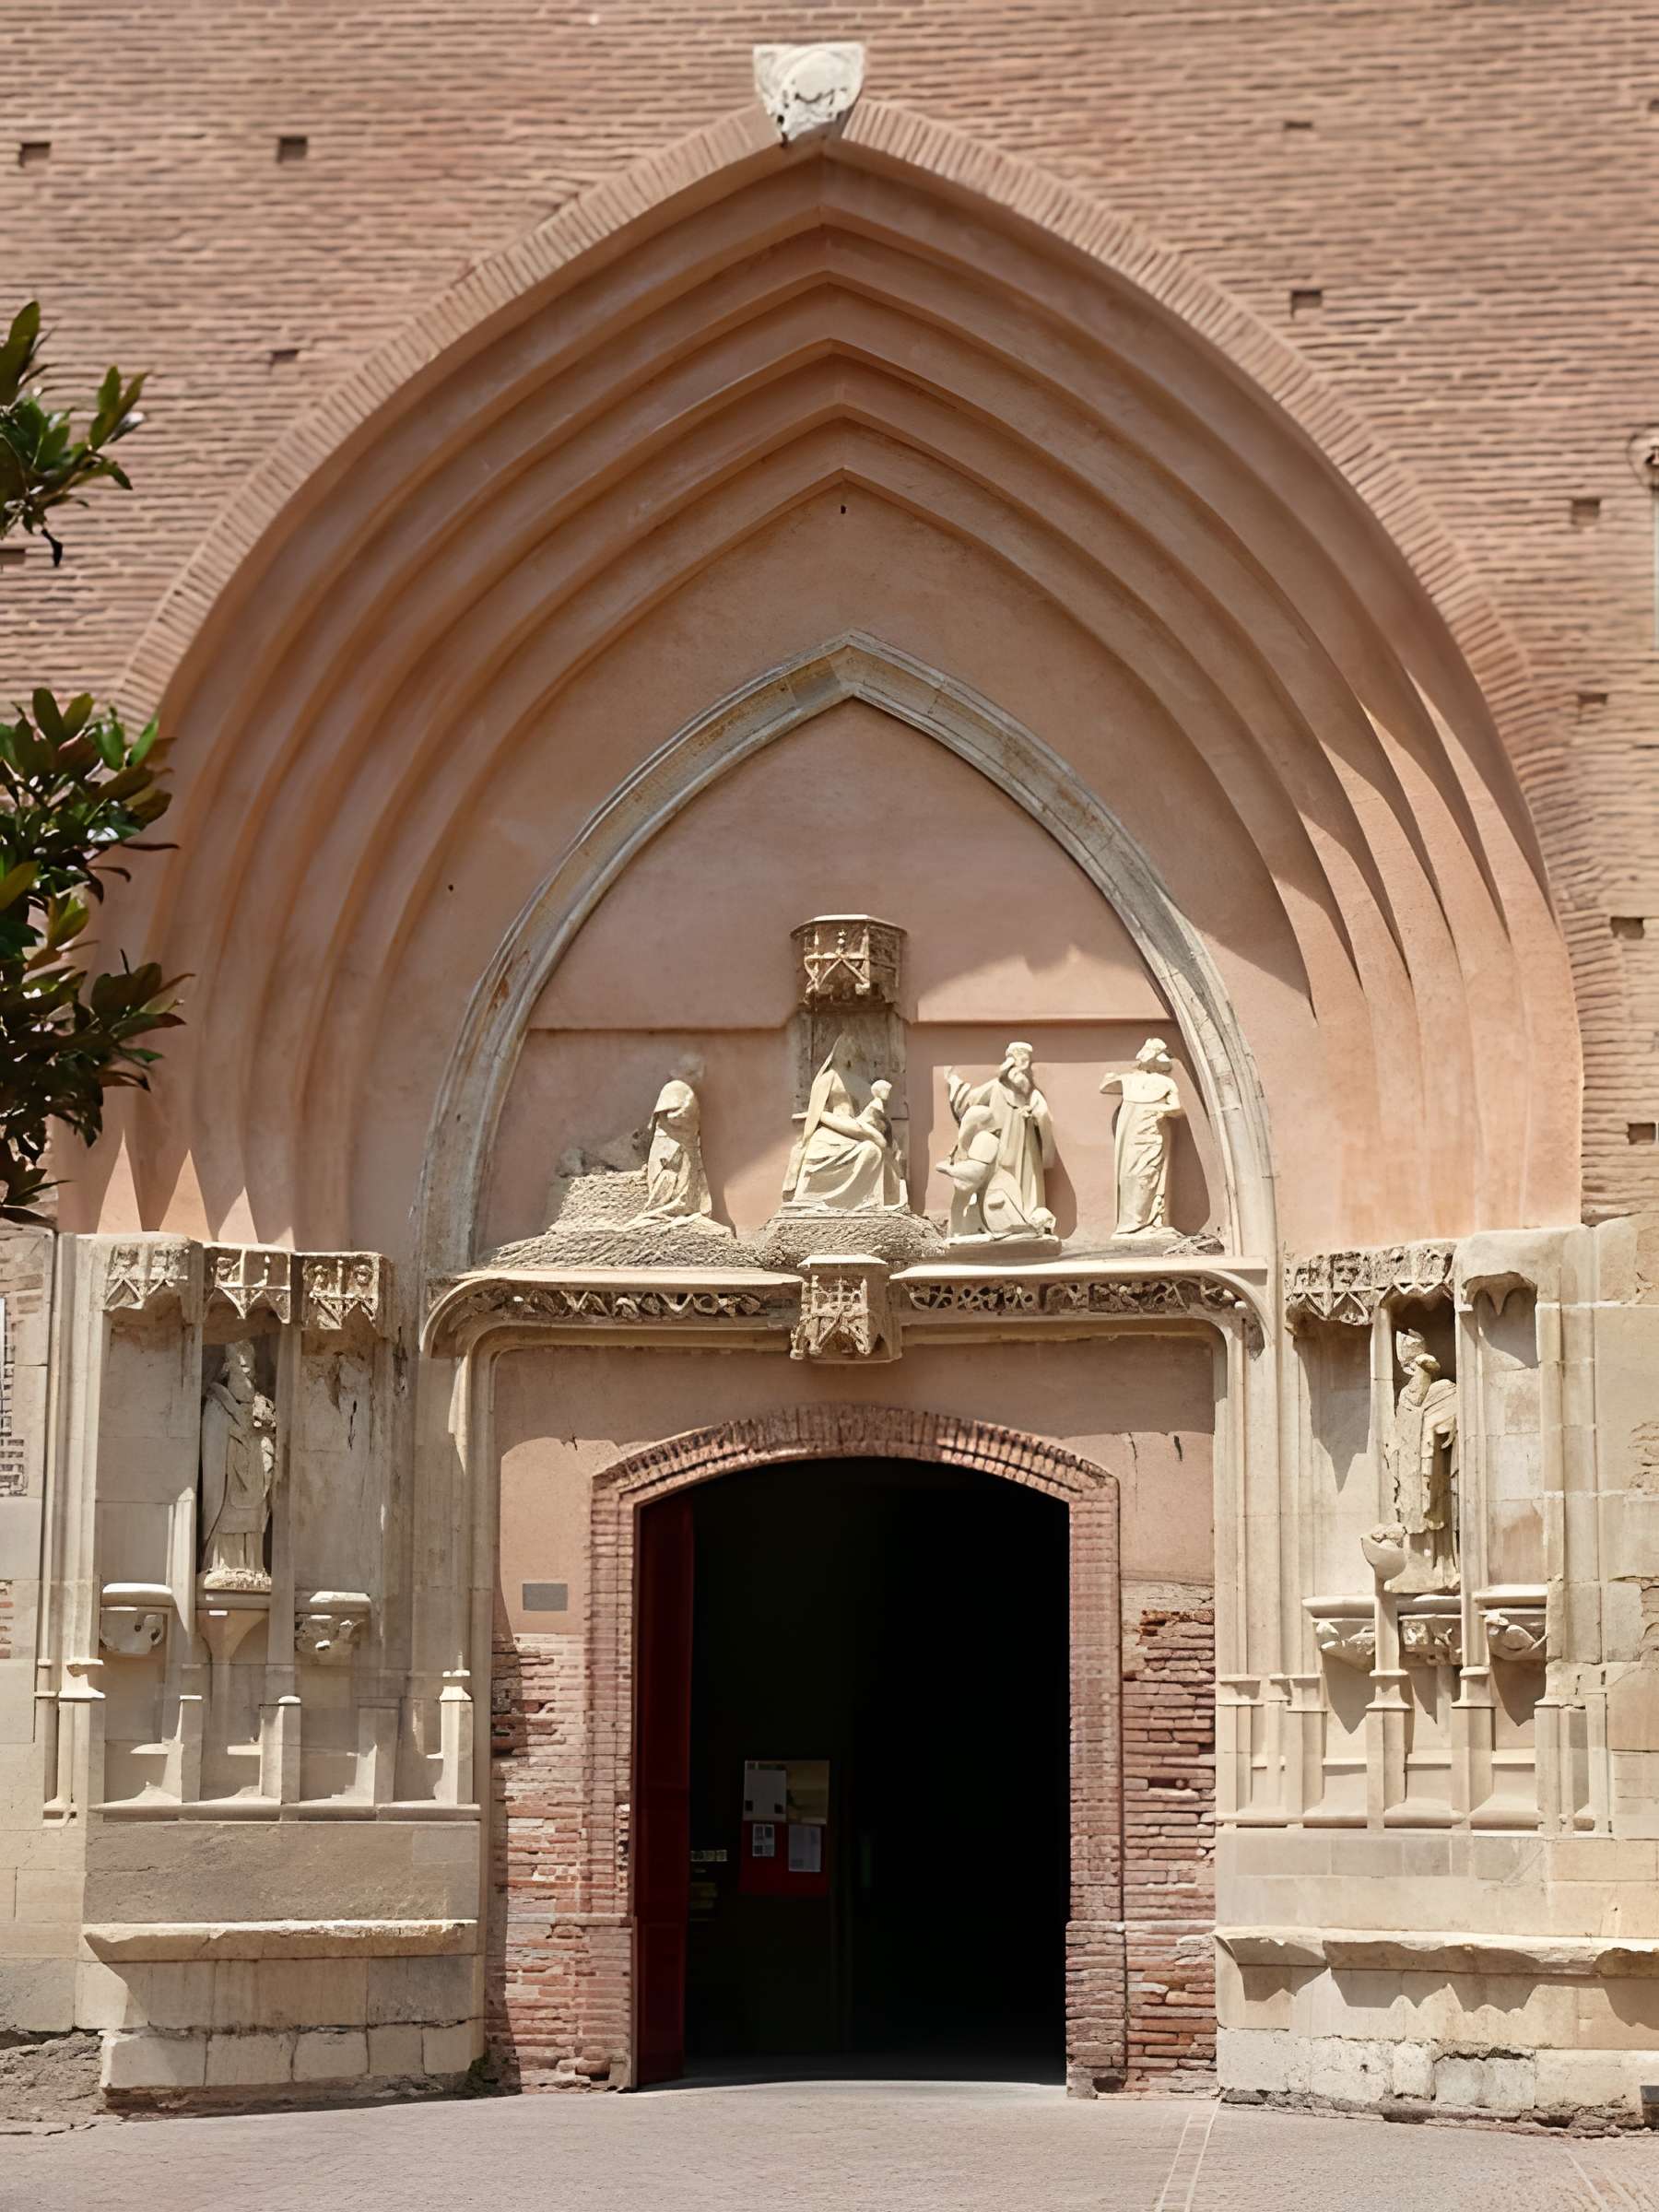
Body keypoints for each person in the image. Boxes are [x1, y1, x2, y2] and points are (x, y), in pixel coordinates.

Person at [782, 1041, 904, 1212]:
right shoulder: (827, 1078)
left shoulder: (852, 1079)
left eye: (853, 1050)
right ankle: (833, 1202)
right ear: (837, 1051)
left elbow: (874, 1100)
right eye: (847, 1049)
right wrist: (861, 1131)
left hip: (853, 1128)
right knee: (871, 1149)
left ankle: (866, 1201)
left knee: (873, 1150)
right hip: (832, 1132)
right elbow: (818, 1114)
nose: (851, 1053)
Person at [944, 1043, 1055, 1229]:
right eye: (1018, 1064)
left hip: (1025, 1149)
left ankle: (1027, 1219)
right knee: (998, 1180)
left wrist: (1034, 1115)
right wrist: (955, 1084)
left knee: (1026, 1182)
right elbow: (969, 1102)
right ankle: (999, 1220)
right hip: (999, 1147)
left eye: (1026, 1064)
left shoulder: (1031, 1095)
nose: (1023, 1071)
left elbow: (1043, 1116)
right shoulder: (995, 1088)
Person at [199, 1341, 276, 1592]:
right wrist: (236, 1435)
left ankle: (252, 1566)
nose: (248, 1375)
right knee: (225, 1516)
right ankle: (221, 1566)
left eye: (250, 1370)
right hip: (229, 1477)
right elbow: (212, 1445)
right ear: (228, 1368)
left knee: (253, 1517)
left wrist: (266, 1437)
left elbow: (269, 1440)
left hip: (253, 1476)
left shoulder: (259, 1405)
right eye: (242, 1369)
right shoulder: (217, 1403)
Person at [1100, 1038, 1182, 1235]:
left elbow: (1177, 1108)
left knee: (1148, 1176)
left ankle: (1146, 1223)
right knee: (1129, 1176)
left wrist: (1161, 1109)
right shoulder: (1128, 1080)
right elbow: (1106, 1087)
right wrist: (1110, 1077)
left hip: (1152, 1137)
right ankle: (1128, 1225)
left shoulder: (1166, 1083)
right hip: (1131, 1137)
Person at [632, 1077, 712, 1223]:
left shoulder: (679, 1090)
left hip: (677, 1146)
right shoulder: (676, 1091)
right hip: (669, 1143)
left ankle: (664, 1208)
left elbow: (673, 1119)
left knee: (676, 1181)